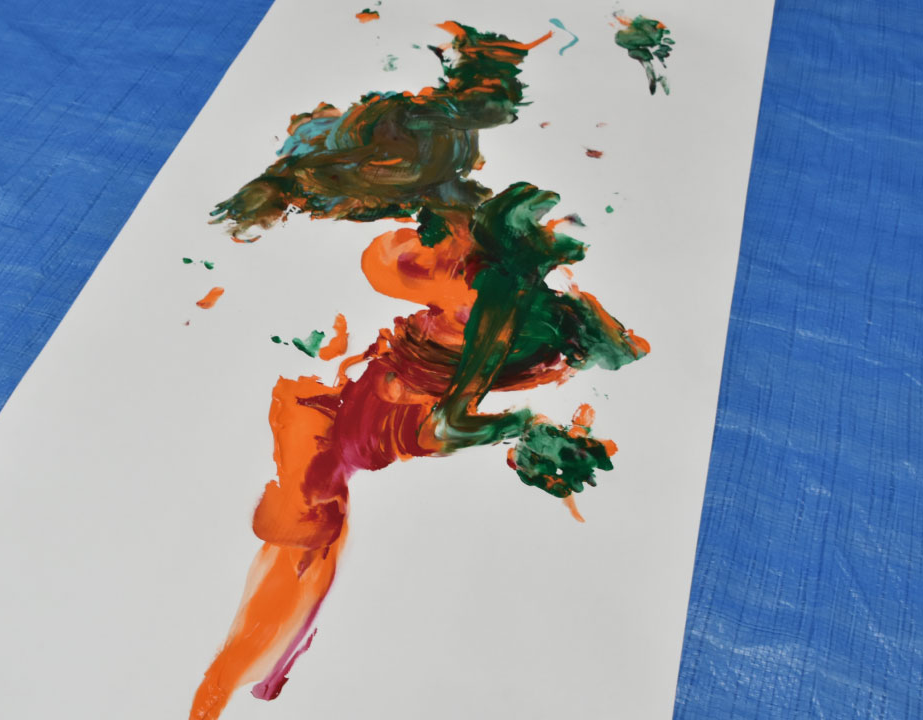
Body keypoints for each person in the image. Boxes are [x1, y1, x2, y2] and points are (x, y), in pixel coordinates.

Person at [190, 22, 648, 720]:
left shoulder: (401, 390)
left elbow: (461, 401)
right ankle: (230, 686)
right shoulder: (394, 404)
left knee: (306, 524)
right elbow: (462, 399)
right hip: (436, 367)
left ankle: (227, 688)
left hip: (433, 372)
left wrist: (511, 422)